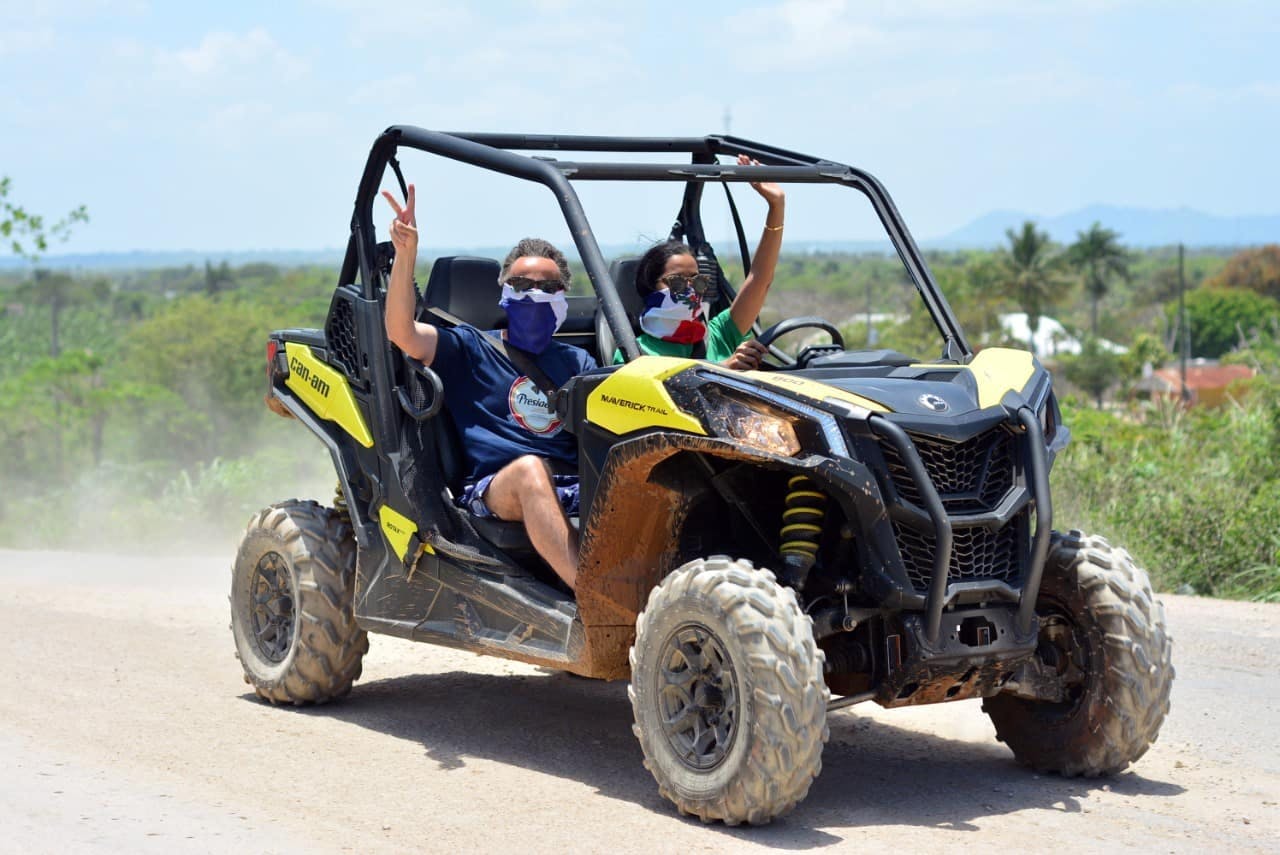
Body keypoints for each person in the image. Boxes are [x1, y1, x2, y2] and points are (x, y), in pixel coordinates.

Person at [382, 184, 596, 591]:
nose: (533, 294)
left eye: (547, 287)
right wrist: (405, 254)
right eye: (521, 285)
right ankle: (596, 604)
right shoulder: (471, 346)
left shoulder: (578, 363)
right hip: (498, 487)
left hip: (571, 484)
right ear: (503, 292)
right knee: (532, 472)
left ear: (563, 297)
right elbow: (402, 332)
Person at [618, 154, 784, 371]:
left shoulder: (719, 334)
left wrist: (776, 205)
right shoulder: (635, 354)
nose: (689, 291)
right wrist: (723, 368)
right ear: (651, 288)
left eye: (697, 282)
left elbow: (760, 279)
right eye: (677, 282)